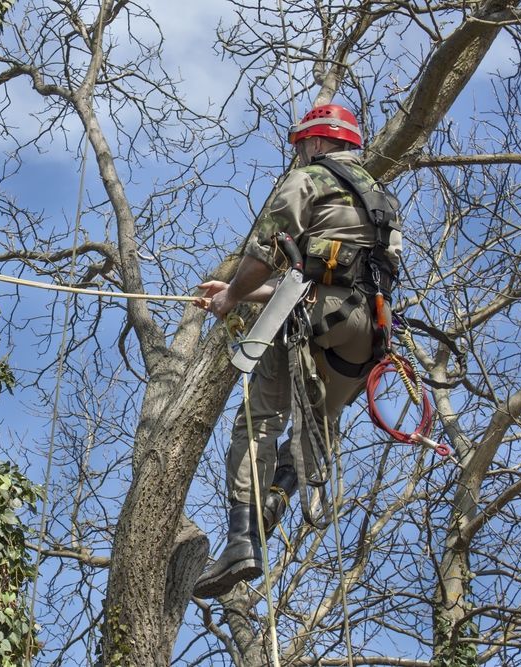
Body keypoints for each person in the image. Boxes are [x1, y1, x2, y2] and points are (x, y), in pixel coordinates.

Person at [192, 104, 402, 599]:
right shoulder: (382, 202)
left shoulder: (308, 178)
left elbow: (268, 251)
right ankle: (280, 492)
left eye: (300, 145)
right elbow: (331, 277)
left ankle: (242, 538)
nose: (298, 153)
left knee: (258, 421)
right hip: (366, 331)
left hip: (312, 320)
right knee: (322, 424)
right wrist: (237, 290)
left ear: (315, 142)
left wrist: (232, 296)